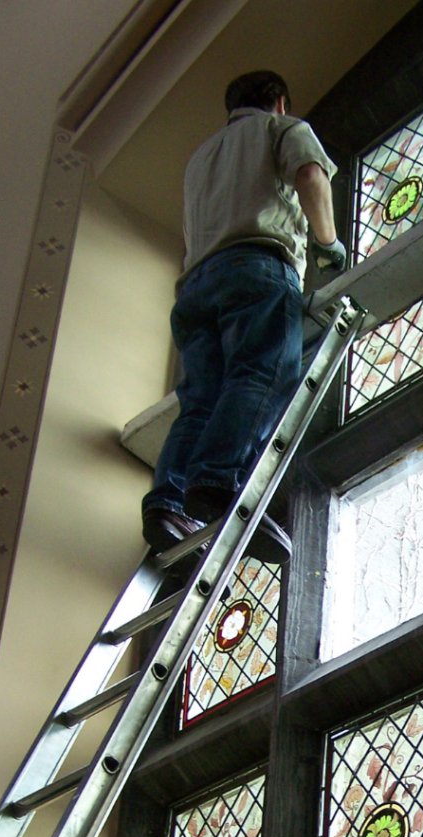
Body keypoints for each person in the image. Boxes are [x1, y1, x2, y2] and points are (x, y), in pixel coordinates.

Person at [141, 70, 346, 565]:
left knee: (200, 401)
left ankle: (168, 505)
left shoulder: (199, 159)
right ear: (279, 102)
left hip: (195, 286)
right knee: (267, 370)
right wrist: (327, 243)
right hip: (255, 265)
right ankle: (220, 483)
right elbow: (310, 177)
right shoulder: (280, 128)